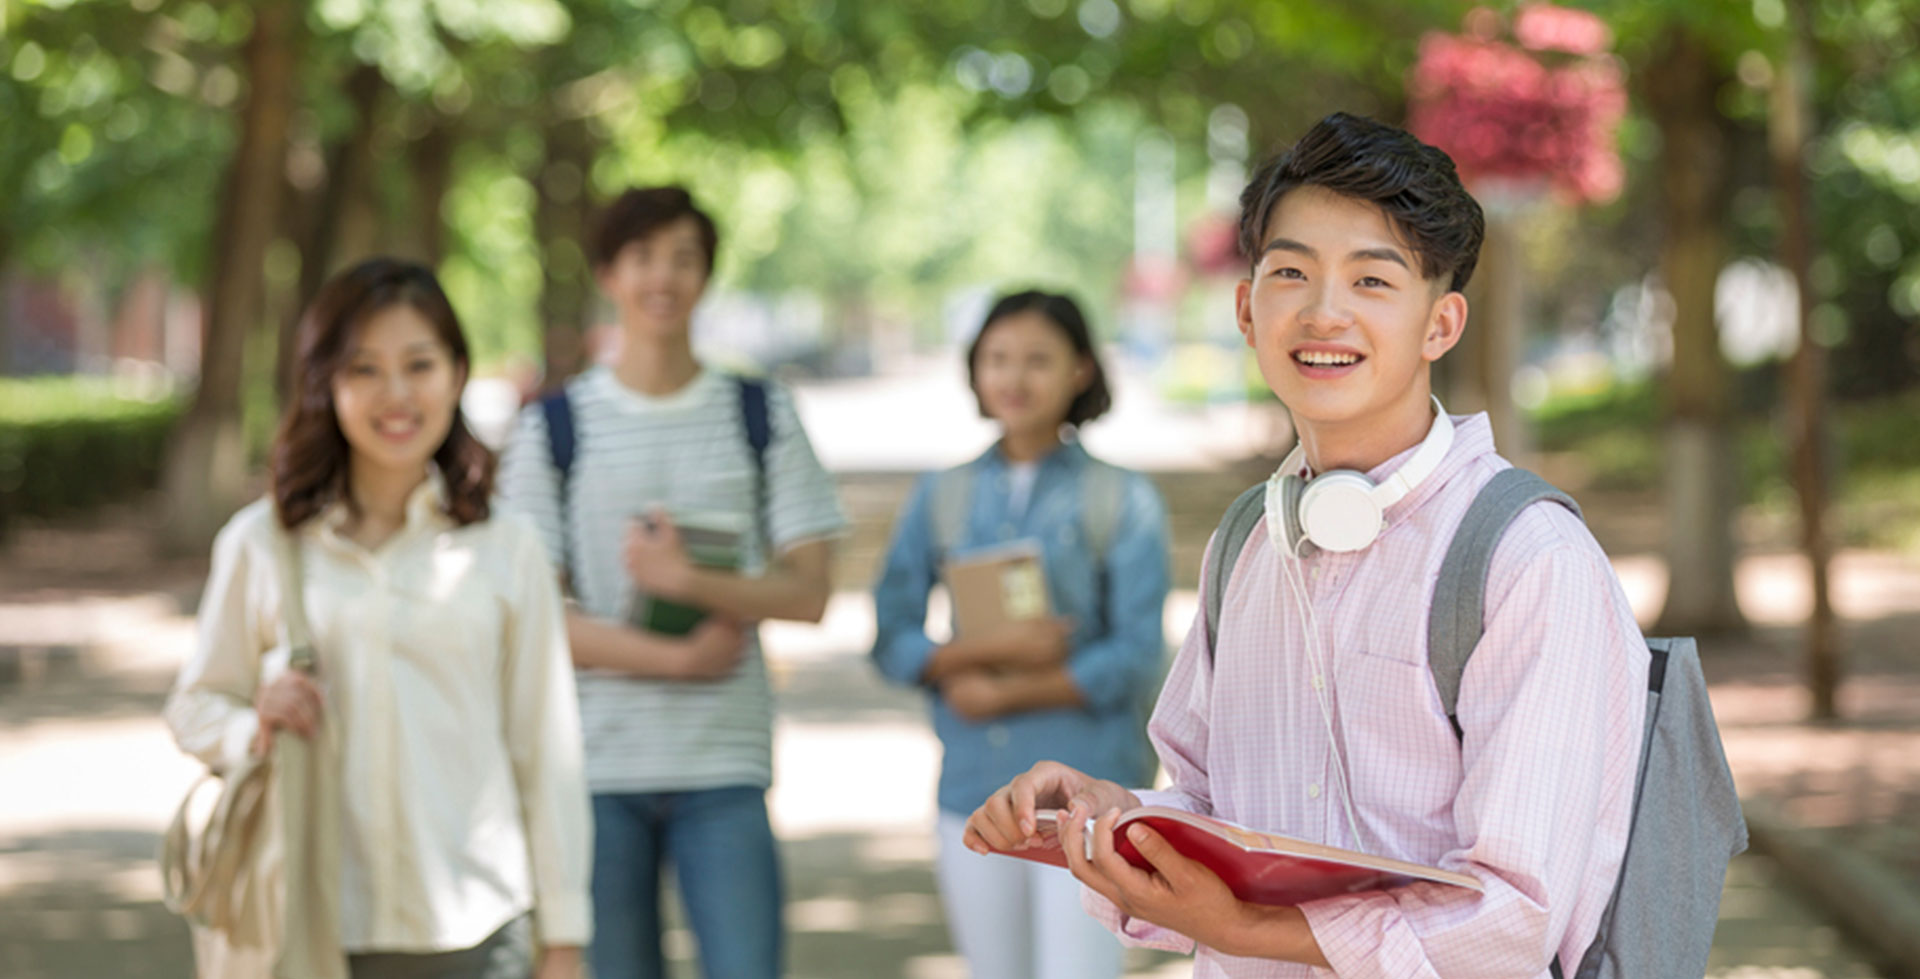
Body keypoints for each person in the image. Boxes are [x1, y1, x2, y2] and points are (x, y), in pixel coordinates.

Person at [963, 113, 1650, 978]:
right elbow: (1218, 808)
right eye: (1292, 271)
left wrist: (1252, 930)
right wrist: (1113, 814)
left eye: (1372, 281)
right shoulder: (1250, 537)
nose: (1324, 313)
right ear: (1248, 307)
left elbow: (1513, 916)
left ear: (1440, 325)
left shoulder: (1526, 557)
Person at [165, 258, 590, 979]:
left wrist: (564, 937)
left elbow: (546, 749)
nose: (396, 394)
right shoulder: (264, 543)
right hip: (313, 926)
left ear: (456, 375)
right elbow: (195, 706)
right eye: (364, 369)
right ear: (326, 383)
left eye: (418, 364)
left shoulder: (506, 546)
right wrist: (253, 726)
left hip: (481, 928)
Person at [496, 186, 847, 979]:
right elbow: (532, 618)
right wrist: (682, 661)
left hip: (725, 769)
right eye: (643, 258)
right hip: (595, 772)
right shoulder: (552, 428)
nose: (664, 277)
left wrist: (686, 578)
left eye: (684, 258)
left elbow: (810, 591)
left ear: (707, 275)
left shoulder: (762, 413)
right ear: (608, 274)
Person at [871, 290, 1171, 979]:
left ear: (1081, 371)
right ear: (974, 370)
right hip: (973, 792)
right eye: (997, 358)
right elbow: (889, 636)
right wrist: (976, 656)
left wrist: (1006, 692)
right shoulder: (940, 494)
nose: (1014, 376)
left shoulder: (1121, 498)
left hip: (1089, 798)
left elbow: (1135, 653)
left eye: (1039, 359)